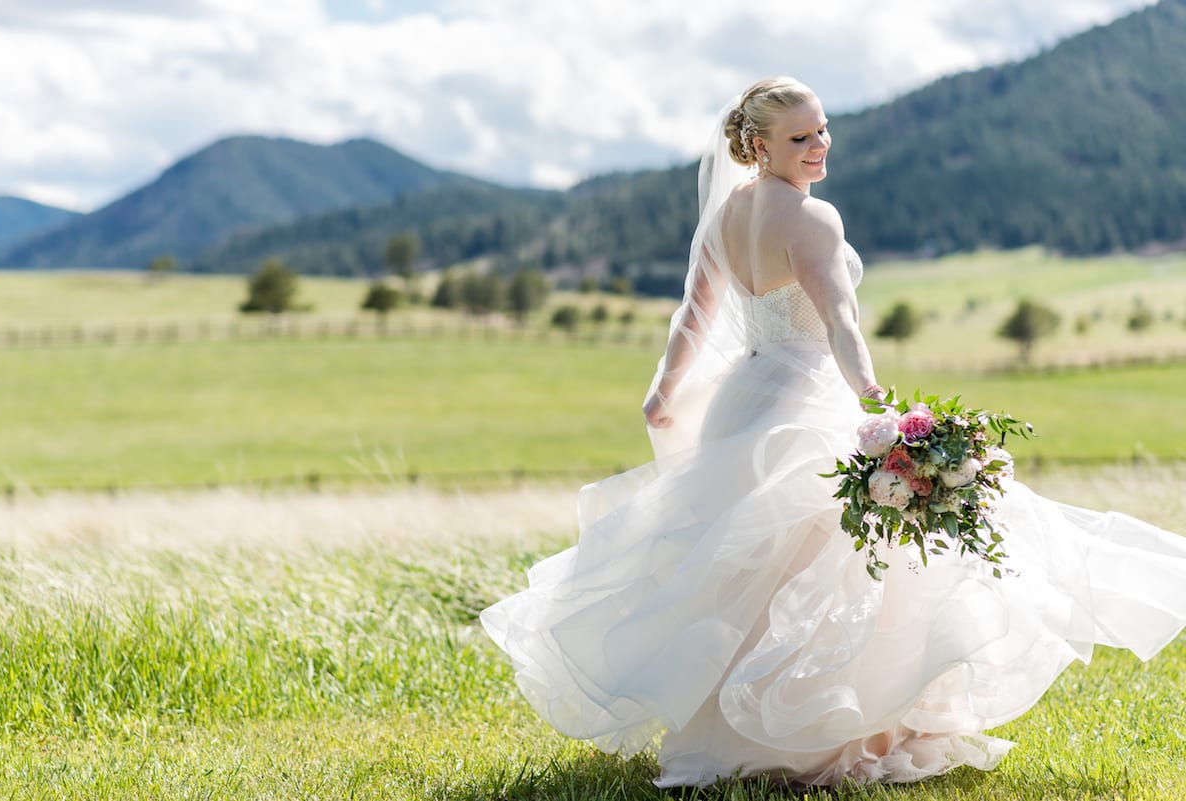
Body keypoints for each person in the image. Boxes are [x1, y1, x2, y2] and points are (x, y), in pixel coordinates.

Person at [480, 77, 1186, 788]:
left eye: (822, 131)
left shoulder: (727, 214)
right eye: (801, 137)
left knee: (752, 570)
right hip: (807, 399)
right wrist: (876, 402)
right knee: (840, 569)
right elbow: (841, 323)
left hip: (742, 401)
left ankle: (749, 730)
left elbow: (694, 315)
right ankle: (828, 731)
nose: (820, 147)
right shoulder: (814, 222)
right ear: (758, 145)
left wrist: (664, 391)